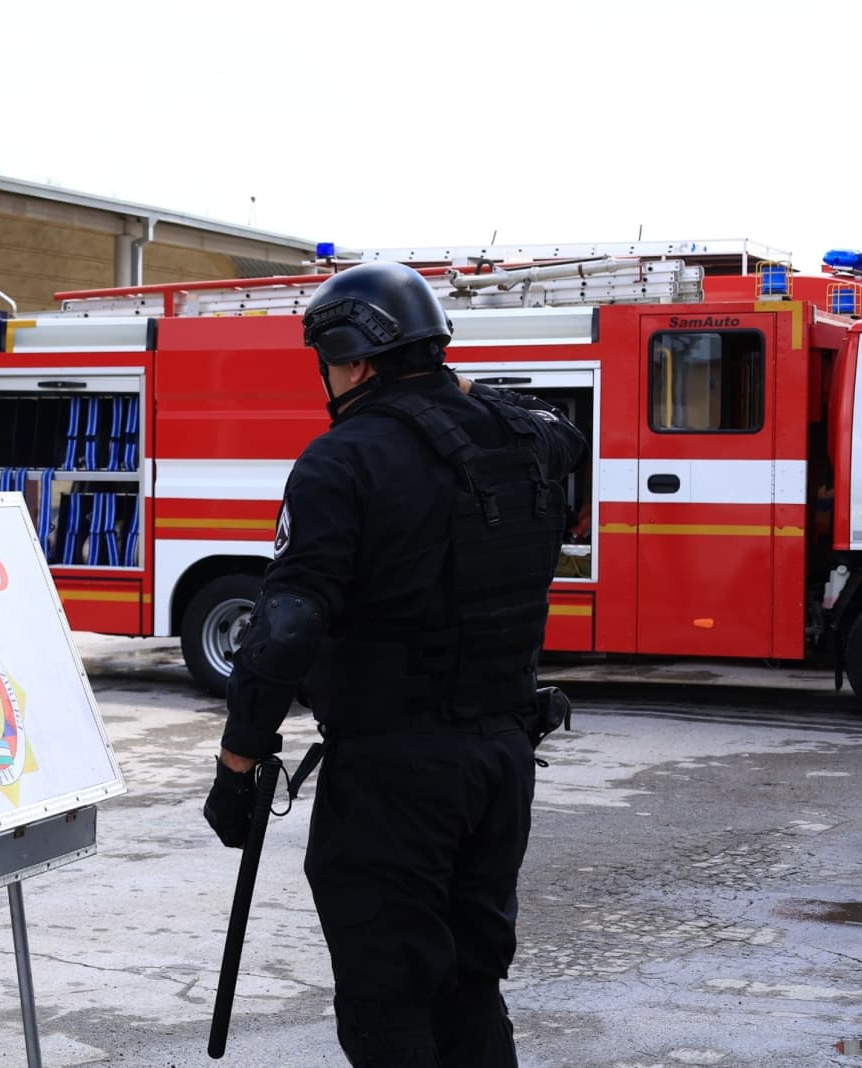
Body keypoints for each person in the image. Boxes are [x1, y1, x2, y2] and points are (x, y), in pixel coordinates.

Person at [203, 261, 585, 1066]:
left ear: (352, 362)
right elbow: (559, 429)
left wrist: (239, 761)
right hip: (503, 763)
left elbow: (289, 625)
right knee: (472, 987)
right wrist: (454, 387)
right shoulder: (532, 441)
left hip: (393, 774)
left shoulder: (341, 460)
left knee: (389, 1000)